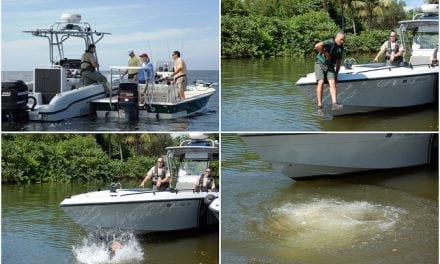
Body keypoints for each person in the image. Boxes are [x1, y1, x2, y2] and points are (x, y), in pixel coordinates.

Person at [314, 32, 345, 116]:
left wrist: (336, 74)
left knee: (332, 82)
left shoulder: (341, 48)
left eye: (344, 40)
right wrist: (326, 53)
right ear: (337, 38)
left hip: (330, 66)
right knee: (321, 81)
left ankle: (334, 104)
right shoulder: (330, 42)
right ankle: (320, 107)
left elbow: (338, 62)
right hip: (320, 64)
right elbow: (317, 46)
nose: (343, 41)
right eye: (341, 39)